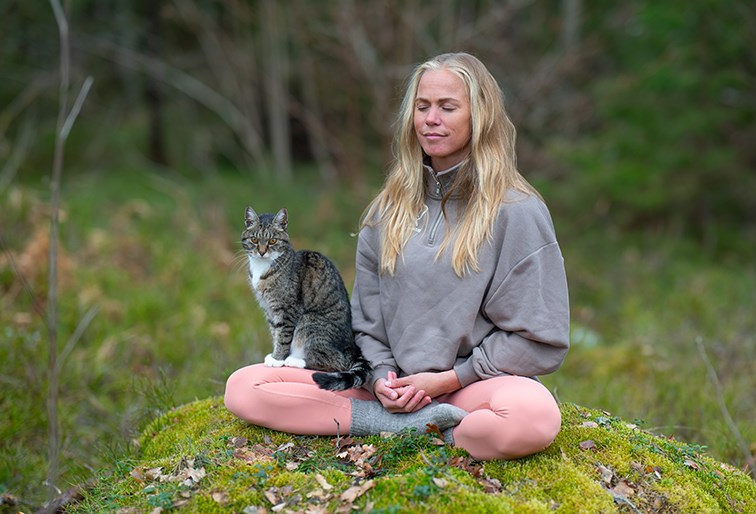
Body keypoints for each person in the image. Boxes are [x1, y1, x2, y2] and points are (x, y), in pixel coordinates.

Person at [224, 52, 569, 460]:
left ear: (480, 116)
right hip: (383, 389)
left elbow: (540, 338)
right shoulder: (388, 209)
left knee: (533, 416)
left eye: (447, 107)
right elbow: (367, 321)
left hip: (468, 387)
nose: (430, 119)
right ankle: (406, 426)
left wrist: (446, 381)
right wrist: (381, 376)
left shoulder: (517, 210)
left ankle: (429, 422)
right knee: (245, 388)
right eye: (422, 107)